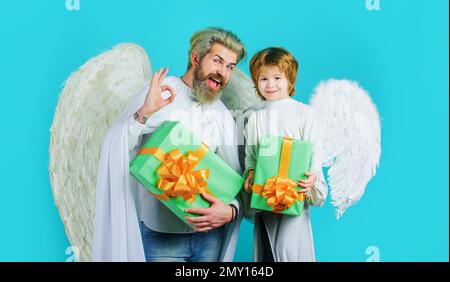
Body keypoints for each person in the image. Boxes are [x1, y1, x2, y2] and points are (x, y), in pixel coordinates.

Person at [93, 27, 247, 262]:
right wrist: (143, 113)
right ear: (196, 58)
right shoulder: (161, 93)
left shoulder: (222, 113)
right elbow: (117, 145)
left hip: (209, 239)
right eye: (217, 61)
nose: (223, 73)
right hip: (161, 239)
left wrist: (231, 211)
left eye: (230, 67)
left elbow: (234, 178)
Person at [243, 47, 328, 262]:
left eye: (277, 77)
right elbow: (251, 154)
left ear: (290, 79)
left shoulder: (303, 113)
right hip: (266, 199)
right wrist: (251, 171)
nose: (270, 85)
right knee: (267, 253)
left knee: (291, 252)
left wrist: (314, 175)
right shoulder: (256, 118)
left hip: (294, 196)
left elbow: (315, 149)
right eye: (263, 79)